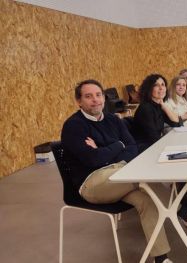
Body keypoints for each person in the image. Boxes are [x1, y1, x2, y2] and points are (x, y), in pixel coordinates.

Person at [61, 79, 173, 263]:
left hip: (120, 174)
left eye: (98, 95)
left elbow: (132, 147)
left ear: (104, 98)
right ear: (78, 101)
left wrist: (104, 149)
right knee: (148, 179)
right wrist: (117, 145)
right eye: (88, 96)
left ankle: (161, 258)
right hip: (92, 183)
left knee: (147, 200)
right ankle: (183, 210)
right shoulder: (73, 126)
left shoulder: (113, 119)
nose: (95, 100)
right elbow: (92, 160)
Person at [132, 73, 187, 230]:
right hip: (144, 153)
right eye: (156, 85)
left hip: (155, 148)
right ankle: (185, 213)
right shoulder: (145, 109)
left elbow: (176, 123)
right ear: (148, 88)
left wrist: (163, 104)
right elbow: (153, 139)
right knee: (181, 165)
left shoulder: (157, 106)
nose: (161, 88)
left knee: (186, 162)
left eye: (163, 85)